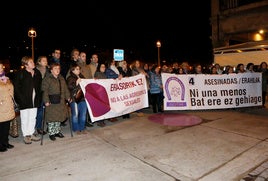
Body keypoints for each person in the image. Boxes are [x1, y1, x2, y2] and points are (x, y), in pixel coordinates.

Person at [13, 56, 43, 144]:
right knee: (25, 118)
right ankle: (26, 135)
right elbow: (16, 88)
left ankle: (31, 133)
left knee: (33, 117)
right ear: (26, 65)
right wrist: (20, 99)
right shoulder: (20, 73)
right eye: (31, 62)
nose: (33, 63)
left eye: (33, 62)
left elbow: (40, 86)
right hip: (24, 100)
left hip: (35, 100)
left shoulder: (37, 73)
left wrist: (40, 97)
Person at [42, 63, 71, 141]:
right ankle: (52, 133)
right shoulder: (47, 78)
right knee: (52, 118)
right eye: (55, 68)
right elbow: (44, 91)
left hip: (60, 101)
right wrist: (46, 100)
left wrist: (68, 97)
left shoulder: (61, 78)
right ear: (51, 70)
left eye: (58, 68)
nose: (57, 70)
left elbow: (65, 89)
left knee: (59, 117)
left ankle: (57, 131)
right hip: (52, 102)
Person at [66, 64, 88, 135]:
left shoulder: (82, 76)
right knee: (75, 114)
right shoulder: (70, 78)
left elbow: (87, 84)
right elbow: (69, 87)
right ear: (73, 70)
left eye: (79, 69)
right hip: (74, 98)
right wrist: (76, 83)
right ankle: (76, 128)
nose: (79, 70)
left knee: (83, 114)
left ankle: (82, 127)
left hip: (82, 98)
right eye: (77, 69)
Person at [0, 62, 15, 152]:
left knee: (6, 126)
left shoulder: (6, 78)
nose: (1, 69)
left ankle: (5, 142)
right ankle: (0, 144)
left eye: (2, 67)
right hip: (1, 106)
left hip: (8, 105)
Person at [35, 56, 50, 135]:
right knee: (40, 111)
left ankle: (50, 126)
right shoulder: (36, 70)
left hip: (47, 92)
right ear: (39, 62)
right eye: (43, 60)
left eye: (46, 60)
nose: (45, 62)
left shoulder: (48, 70)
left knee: (49, 110)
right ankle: (38, 127)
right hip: (40, 93)